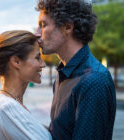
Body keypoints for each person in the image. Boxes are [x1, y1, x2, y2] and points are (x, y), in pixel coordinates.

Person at [35, 0, 116, 139]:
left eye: (43, 25)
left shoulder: (94, 81)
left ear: (67, 27)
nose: (37, 33)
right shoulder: (63, 74)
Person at [0, 30, 52, 140]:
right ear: (16, 61)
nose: (43, 64)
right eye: (37, 58)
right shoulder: (7, 107)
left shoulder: (7, 103)